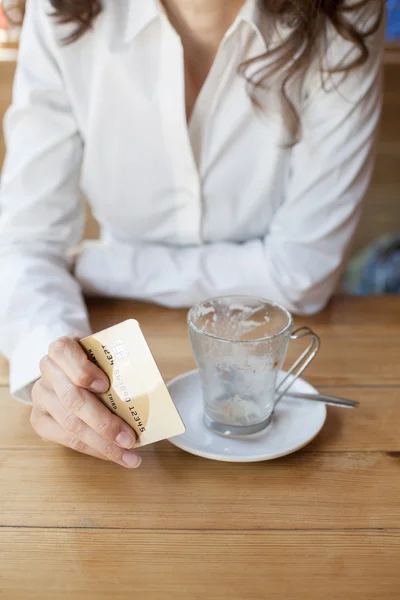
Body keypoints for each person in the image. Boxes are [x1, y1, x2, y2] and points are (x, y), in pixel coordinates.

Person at [0, 0, 384, 467]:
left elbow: (301, 274)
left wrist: (98, 267)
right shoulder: (57, 9)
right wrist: (58, 358)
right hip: (119, 329)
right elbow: (26, 243)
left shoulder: (345, 13)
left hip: (298, 348)